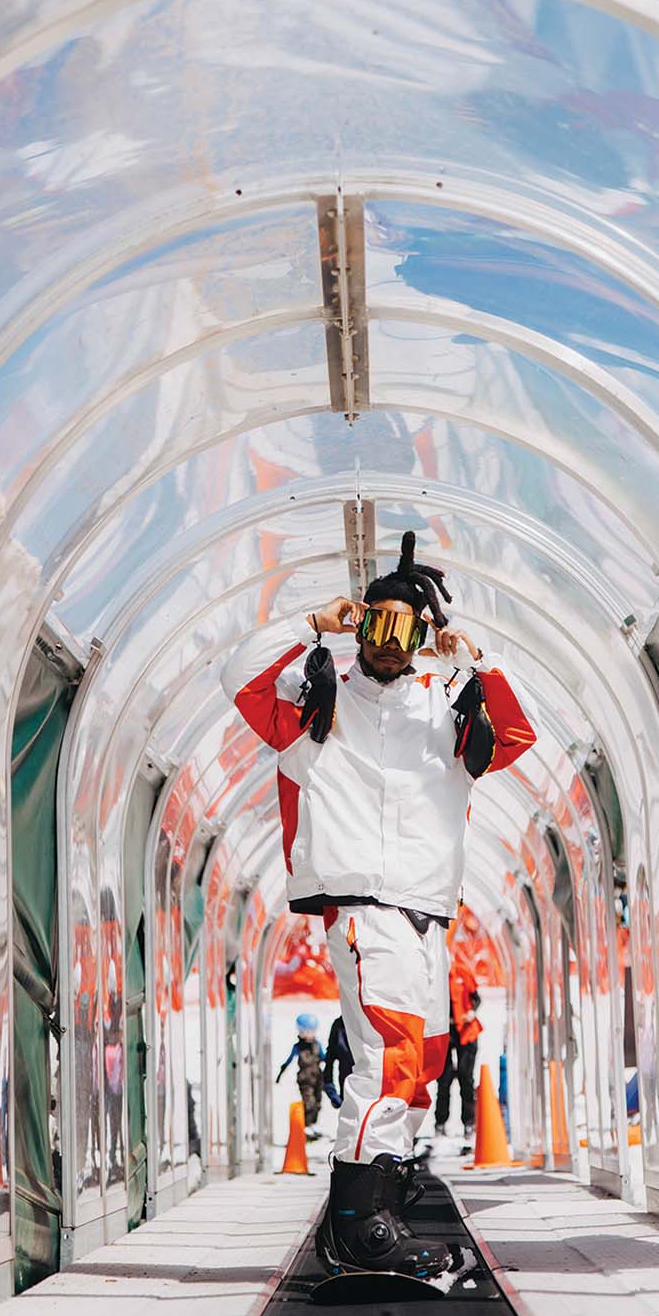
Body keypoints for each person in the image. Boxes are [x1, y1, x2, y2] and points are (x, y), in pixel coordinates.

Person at [221, 531, 535, 1277]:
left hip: (426, 909)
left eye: (406, 628)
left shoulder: (448, 707)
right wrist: (309, 626)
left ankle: (378, 1199)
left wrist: (477, 660)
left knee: (416, 1056)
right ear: (359, 626)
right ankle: (360, 1225)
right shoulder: (318, 703)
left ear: (424, 638)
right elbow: (240, 681)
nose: (389, 641)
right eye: (376, 624)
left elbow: (517, 735)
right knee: (386, 1054)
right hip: (362, 902)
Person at [433, 946, 481, 1143]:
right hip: (445, 1032)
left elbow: (476, 998)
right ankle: (440, 1122)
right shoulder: (435, 976)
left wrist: (471, 1012)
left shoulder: (462, 972)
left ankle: (469, 1123)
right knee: (443, 1079)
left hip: (466, 1032)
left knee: (465, 1078)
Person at [276, 1012, 326, 1136]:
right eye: (306, 1031)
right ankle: (306, 1125)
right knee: (309, 1102)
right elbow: (288, 1061)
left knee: (318, 1102)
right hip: (305, 1079)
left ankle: (313, 1124)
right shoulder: (298, 1047)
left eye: (312, 1031)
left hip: (318, 1078)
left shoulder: (317, 1045)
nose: (309, 1034)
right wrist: (279, 1075)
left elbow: (324, 1057)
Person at [322, 1014, 354, 1109]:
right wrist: (331, 1091)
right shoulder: (339, 1026)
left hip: (373, 1097)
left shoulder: (373, 1023)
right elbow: (329, 1061)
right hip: (347, 1096)